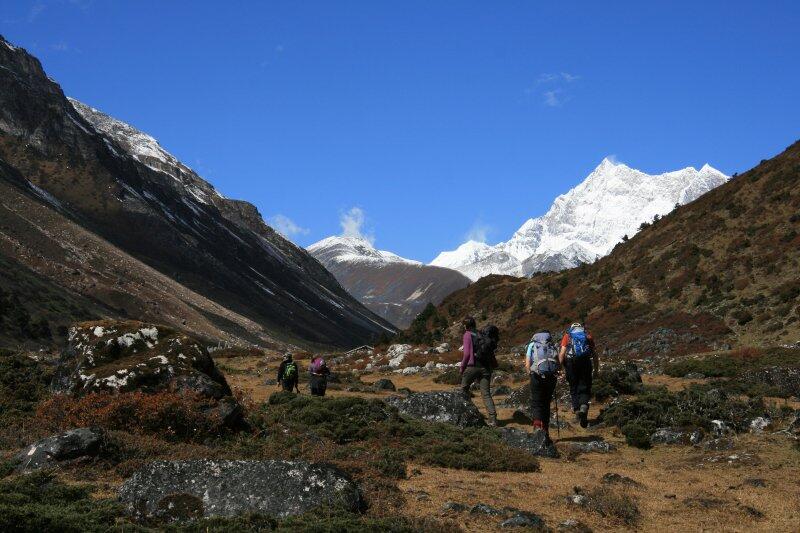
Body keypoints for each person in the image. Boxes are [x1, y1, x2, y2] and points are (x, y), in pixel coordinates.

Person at [459, 316, 498, 427]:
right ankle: (493, 419)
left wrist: (462, 368)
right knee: (486, 394)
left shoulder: (467, 335)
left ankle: (471, 413)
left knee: (463, 390)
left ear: (466, 325)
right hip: (486, 367)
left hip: (473, 366)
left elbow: (466, 354)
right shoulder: (481, 334)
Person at [558, 322, 599, 428]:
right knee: (585, 387)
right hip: (585, 363)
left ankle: (577, 410)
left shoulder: (567, 336)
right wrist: (596, 370)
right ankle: (584, 406)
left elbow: (562, 353)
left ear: (571, 329)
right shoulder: (587, 336)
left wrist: (559, 368)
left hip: (571, 364)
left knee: (573, 387)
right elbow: (594, 354)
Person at [525, 330, 559, 441]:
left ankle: (536, 428)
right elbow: (558, 361)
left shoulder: (532, 344)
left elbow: (527, 363)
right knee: (546, 403)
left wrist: (530, 373)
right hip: (551, 377)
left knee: (536, 402)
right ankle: (546, 431)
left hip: (536, 376)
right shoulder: (552, 345)